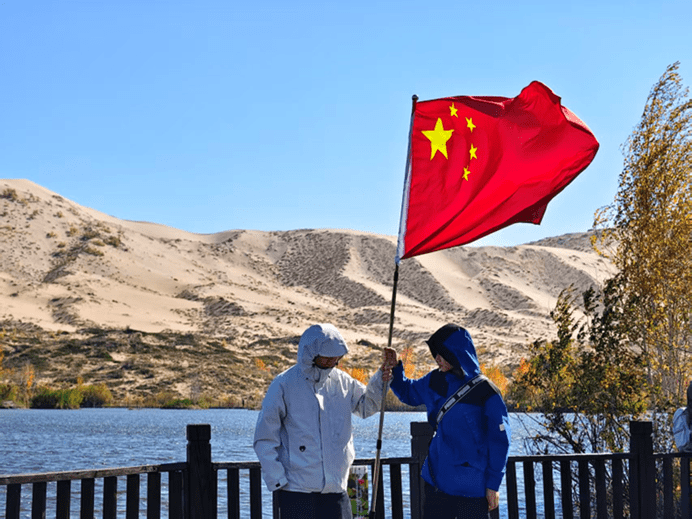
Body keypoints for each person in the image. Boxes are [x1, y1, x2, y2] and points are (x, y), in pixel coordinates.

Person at [253, 323, 397, 519]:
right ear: (310, 354)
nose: (332, 361)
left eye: (336, 357)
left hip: (336, 489)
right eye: (327, 357)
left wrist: (381, 377)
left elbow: (367, 405)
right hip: (296, 492)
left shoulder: (344, 382)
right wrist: (278, 480)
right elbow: (264, 437)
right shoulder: (283, 384)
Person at [389, 324, 511, 519]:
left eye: (442, 353)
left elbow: (500, 441)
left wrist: (493, 485)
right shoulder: (434, 380)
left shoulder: (486, 391)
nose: (437, 358)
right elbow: (408, 392)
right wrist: (396, 370)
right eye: (435, 353)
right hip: (436, 485)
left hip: (472, 490)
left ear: (456, 353)